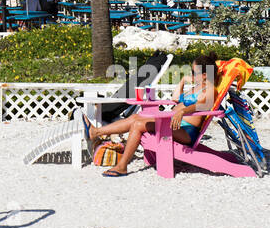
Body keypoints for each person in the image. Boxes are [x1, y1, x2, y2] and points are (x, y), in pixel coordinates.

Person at [82, 53, 219, 177]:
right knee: (136, 117)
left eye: (194, 72)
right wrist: (183, 81)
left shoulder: (210, 89)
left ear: (205, 74)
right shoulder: (196, 87)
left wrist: (183, 111)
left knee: (138, 124)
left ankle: (122, 166)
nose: (192, 75)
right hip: (173, 123)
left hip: (186, 131)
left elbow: (203, 105)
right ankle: (96, 132)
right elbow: (175, 98)